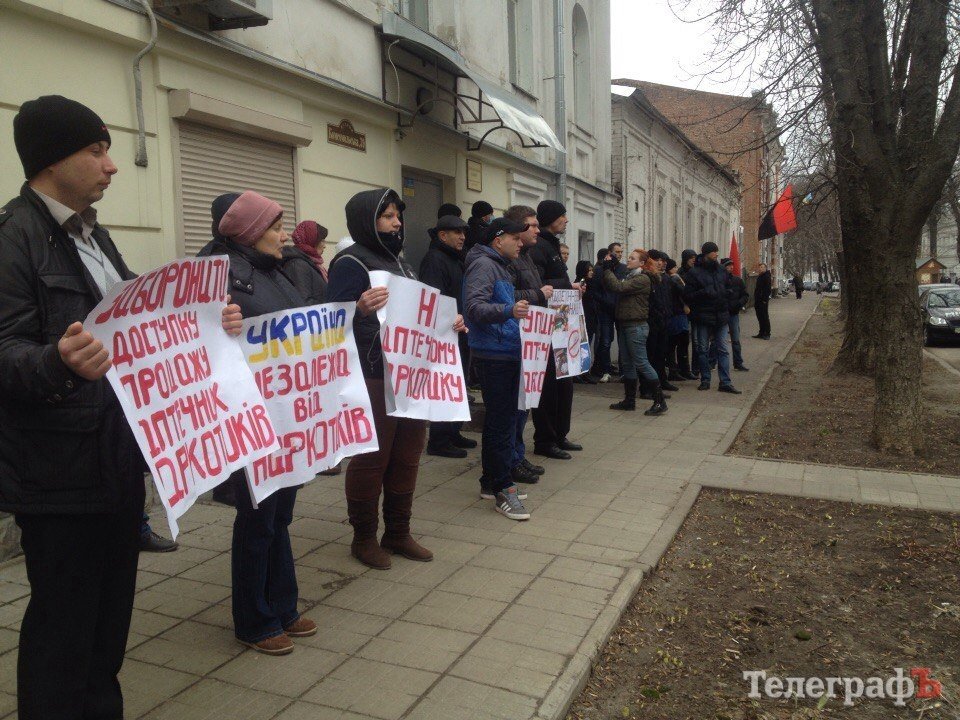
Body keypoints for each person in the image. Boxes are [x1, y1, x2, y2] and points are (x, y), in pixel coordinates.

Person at [0, 96, 242, 717]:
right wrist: (55, 362)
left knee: (109, 622)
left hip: (116, 462)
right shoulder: (13, 239)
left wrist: (207, 322)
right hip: (57, 473)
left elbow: (138, 324)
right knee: (63, 627)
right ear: (54, 160)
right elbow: (5, 352)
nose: (111, 166)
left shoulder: (94, 234)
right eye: (97, 150)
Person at [327, 188, 466, 569]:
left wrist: (447, 323)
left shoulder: (401, 264)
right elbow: (327, 324)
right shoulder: (349, 263)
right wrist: (356, 310)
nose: (397, 223)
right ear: (366, 221)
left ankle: (399, 532)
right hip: (372, 374)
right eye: (387, 216)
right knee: (373, 457)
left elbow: (419, 313)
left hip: (411, 375)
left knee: (407, 455)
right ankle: (364, 537)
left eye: (397, 216)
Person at [207, 191, 317, 656]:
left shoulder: (273, 269)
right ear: (250, 231)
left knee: (280, 515)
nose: (283, 233)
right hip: (252, 416)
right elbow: (200, 340)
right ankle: (254, 620)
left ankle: (283, 605)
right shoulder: (216, 276)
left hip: (284, 415)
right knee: (257, 519)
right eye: (274, 226)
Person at [463, 217, 532, 519]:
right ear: (498, 239)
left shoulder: (498, 265)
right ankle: (503, 487)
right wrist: (508, 310)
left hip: (505, 351)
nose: (521, 243)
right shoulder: (483, 265)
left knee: (502, 421)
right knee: (501, 424)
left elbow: (502, 299)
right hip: (495, 355)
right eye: (516, 238)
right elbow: (474, 308)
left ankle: (491, 482)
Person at [419, 214, 477, 458]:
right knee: (444, 384)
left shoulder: (455, 258)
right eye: (457, 233)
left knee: (458, 383)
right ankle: (439, 440)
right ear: (443, 235)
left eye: (464, 232)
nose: (463, 237)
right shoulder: (435, 259)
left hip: (459, 330)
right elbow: (435, 297)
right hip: (444, 333)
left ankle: (453, 431)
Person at [504, 205, 552, 483]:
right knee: (516, 406)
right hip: (517, 338)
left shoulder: (527, 255)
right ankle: (511, 460)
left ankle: (517, 455)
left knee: (525, 404)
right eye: (532, 225)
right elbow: (505, 294)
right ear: (518, 230)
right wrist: (538, 292)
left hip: (531, 338)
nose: (537, 229)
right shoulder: (509, 258)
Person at [601, 249, 667, 415]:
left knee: (641, 362)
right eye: (628, 257)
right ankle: (629, 400)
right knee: (628, 364)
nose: (628, 260)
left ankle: (660, 401)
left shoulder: (642, 278)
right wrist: (613, 266)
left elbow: (618, 287)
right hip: (625, 324)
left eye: (632, 258)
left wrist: (608, 269)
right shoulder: (631, 275)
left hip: (636, 326)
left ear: (642, 263)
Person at [683, 242, 742, 394]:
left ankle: (725, 382)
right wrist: (704, 292)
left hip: (721, 315)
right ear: (707, 253)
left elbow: (729, 286)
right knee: (702, 349)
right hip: (703, 316)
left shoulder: (721, 270)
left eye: (717, 251)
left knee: (723, 349)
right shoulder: (694, 273)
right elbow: (687, 295)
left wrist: (727, 295)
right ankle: (705, 379)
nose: (716, 254)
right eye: (714, 251)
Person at [645, 250, 678, 394]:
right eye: (657, 260)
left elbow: (668, 299)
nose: (661, 263)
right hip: (652, 321)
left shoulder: (665, 279)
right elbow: (650, 302)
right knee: (651, 355)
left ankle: (662, 381)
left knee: (661, 353)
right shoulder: (648, 278)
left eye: (662, 260)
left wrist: (667, 313)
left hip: (664, 320)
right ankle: (649, 387)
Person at [593, 242, 626, 382]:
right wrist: (606, 301)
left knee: (623, 341)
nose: (619, 254)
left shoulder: (624, 269)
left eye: (621, 252)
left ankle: (624, 371)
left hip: (621, 309)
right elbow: (596, 290)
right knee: (606, 341)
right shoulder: (600, 270)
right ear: (610, 253)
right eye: (617, 252)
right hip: (605, 310)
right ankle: (606, 370)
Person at [282, 220, 329, 305]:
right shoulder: (297, 265)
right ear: (312, 240)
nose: (324, 246)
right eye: (322, 240)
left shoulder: (312, 263)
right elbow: (303, 303)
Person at [664, 258, 694, 381]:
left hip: (678, 314)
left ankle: (682, 369)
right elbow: (684, 292)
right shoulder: (673, 279)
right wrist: (680, 280)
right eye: (674, 267)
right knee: (676, 343)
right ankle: (676, 370)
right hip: (676, 315)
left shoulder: (671, 279)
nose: (676, 269)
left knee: (682, 343)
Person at [720, 258, 749, 372]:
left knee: (735, 340)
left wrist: (739, 303)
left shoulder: (738, 280)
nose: (731, 267)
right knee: (716, 340)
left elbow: (745, 295)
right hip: (721, 314)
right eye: (728, 265)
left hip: (733, 314)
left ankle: (738, 363)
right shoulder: (718, 280)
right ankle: (711, 363)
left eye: (732, 265)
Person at [753, 262, 772, 339]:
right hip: (758, 300)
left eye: (762, 267)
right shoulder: (760, 276)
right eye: (760, 267)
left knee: (764, 317)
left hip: (763, 301)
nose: (761, 269)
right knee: (759, 317)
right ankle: (761, 332)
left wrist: (764, 299)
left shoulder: (766, 276)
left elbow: (768, 289)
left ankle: (767, 333)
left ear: (765, 268)